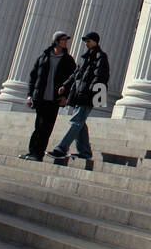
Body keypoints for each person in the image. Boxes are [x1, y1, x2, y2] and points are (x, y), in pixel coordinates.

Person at [47, 31, 109, 161]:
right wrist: (65, 86)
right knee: (80, 123)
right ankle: (85, 152)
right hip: (79, 93)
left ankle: (61, 149)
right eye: (86, 41)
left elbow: (101, 76)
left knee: (76, 122)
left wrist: (93, 92)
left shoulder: (100, 57)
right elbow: (76, 74)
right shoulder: (85, 58)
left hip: (88, 94)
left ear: (95, 41)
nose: (86, 44)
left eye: (88, 41)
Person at [19, 32, 75, 161]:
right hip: (40, 98)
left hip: (54, 100)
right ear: (56, 41)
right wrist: (30, 95)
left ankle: (38, 154)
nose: (65, 42)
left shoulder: (68, 60)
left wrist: (65, 96)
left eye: (66, 40)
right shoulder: (43, 57)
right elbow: (33, 78)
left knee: (46, 128)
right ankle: (32, 152)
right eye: (63, 39)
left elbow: (71, 80)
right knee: (38, 126)